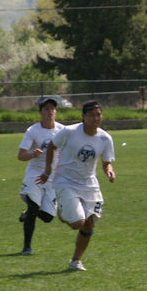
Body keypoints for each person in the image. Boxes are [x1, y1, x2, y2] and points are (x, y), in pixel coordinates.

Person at [36, 100, 115, 271]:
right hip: (65, 180)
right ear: (83, 117)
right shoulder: (70, 131)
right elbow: (52, 145)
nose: (96, 118)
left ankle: (75, 261)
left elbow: (106, 162)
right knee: (77, 223)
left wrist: (109, 171)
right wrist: (48, 169)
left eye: (98, 115)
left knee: (89, 224)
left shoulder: (105, 138)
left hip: (89, 183)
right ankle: (63, 210)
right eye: (92, 115)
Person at [17, 96, 65, 255]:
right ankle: (27, 247)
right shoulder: (33, 131)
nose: (50, 111)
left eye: (52, 108)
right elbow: (20, 155)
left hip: (52, 177)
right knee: (34, 207)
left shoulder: (62, 131)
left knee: (47, 217)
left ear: (56, 111)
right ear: (40, 112)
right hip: (35, 175)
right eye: (46, 109)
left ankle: (27, 213)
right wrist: (32, 154)